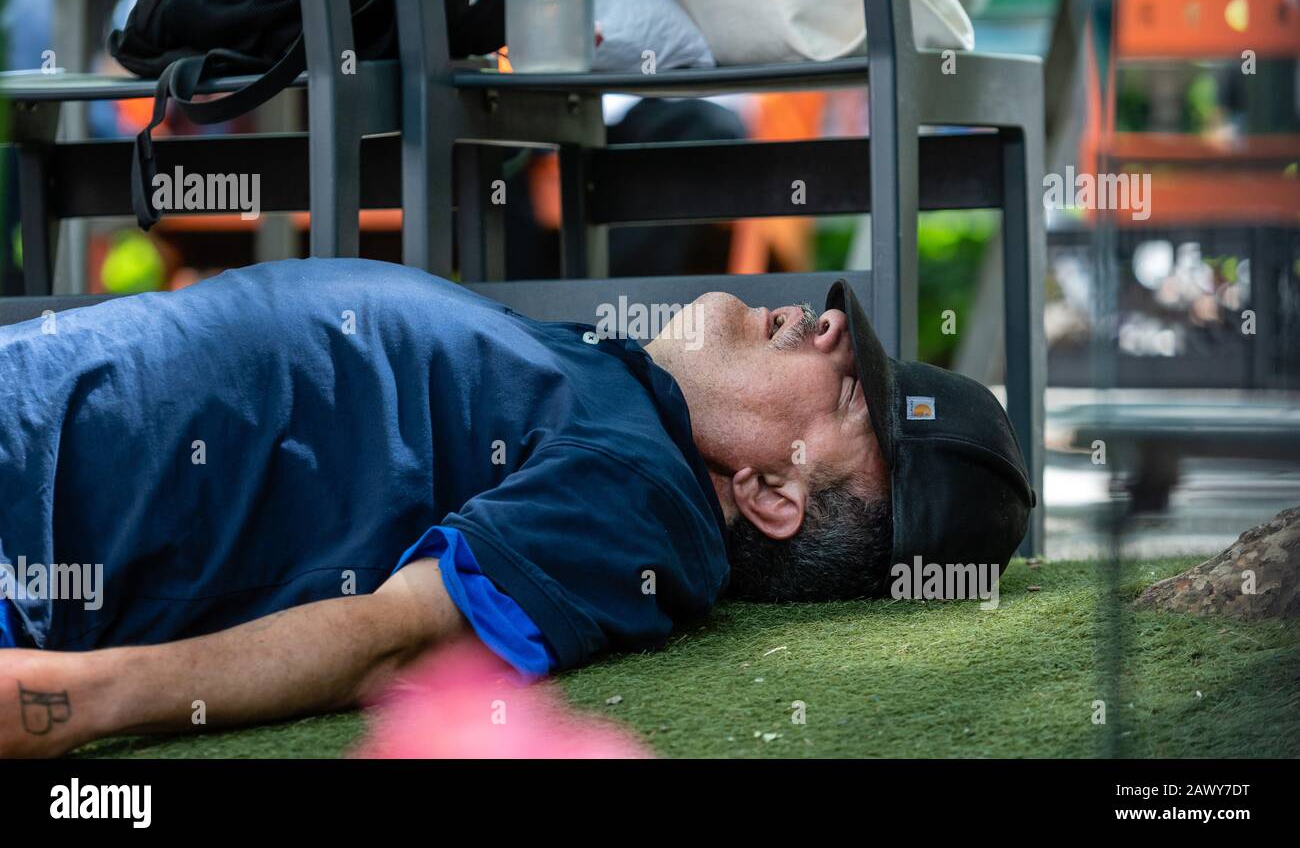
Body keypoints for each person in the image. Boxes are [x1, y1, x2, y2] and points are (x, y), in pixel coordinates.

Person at [0, 258, 1032, 756]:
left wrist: (63, 701)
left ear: (769, 495)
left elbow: (392, 642)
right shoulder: (621, 385)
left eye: (844, 386)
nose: (820, 325)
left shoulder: (641, 500)